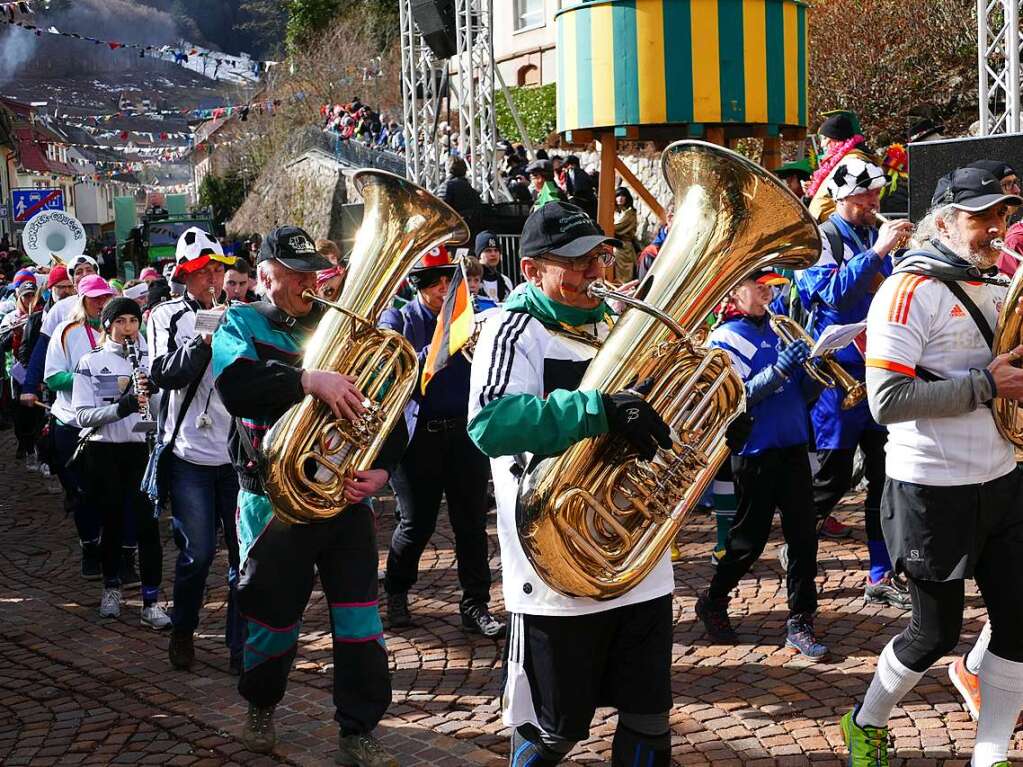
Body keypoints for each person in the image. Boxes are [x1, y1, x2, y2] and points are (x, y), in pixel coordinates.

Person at [468, 201, 675, 767]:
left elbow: (656, 413)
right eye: (579, 263)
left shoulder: (618, 323)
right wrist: (595, 409)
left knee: (650, 720)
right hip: (555, 567)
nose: (596, 273)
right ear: (533, 269)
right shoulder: (512, 329)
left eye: (600, 258)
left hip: (640, 559)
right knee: (553, 733)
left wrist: (719, 427)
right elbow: (489, 422)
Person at [841, 167, 1023, 767]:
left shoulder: (999, 284)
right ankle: (865, 722)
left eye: (1002, 215)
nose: (996, 227)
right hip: (929, 487)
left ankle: (989, 754)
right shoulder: (907, 289)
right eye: (981, 217)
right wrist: (984, 385)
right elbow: (885, 400)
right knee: (933, 635)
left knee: (1019, 625)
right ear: (943, 221)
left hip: (1001, 478)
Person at [213, 226, 405, 765]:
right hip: (272, 500)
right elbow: (236, 386)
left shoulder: (342, 327)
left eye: (311, 273)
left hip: (344, 499)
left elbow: (387, 411)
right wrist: (307, 379)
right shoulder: (240, 322)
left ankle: (358, 730)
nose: (307, 283)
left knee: (360, 620)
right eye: (294, 274)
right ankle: (261, 703)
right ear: (266, 275)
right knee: (273, 618)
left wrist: (384, 470)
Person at [795, 155, 915, 609]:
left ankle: (882, 572)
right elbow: (827, 294)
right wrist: (879, 253)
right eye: (866, 196)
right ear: (843, 196)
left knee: (885, 481)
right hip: (837, 376)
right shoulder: (821, 237)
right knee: (831, 477)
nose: (874, 202)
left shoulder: (871, 232)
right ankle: (798, 546)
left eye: (877, 194)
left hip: (880, 369)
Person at [695, 269, 827, 659]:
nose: (768, 291)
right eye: (759, 285)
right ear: (735, 292)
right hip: (756, 452)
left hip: (793, 445)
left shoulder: (780, 329)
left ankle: (801, 619)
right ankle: (714, 599)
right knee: (747, 542)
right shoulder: (725, 337)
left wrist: (817, 371)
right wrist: (781, 369)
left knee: (804, 537)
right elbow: (738, 398)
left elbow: (802, 395)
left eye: (770, 285)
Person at [380, 246, 504, 637]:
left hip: (465, 435)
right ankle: (397, 589)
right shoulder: (399, 317)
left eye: (448, 283)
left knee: (470, 524)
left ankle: (475, 604)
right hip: (418, 441)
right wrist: (443, 345)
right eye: (436, 285)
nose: (443, 292)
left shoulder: (470, 315)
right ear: (420, 287)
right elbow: (394, 367)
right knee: (417, 524)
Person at [148, 227, 244, 674]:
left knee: (243, 555)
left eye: (216, 270)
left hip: (235, 454)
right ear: (185, 276)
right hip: (189, 455)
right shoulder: (164, 316)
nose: (212, 279)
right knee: (199, 553)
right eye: (201, 272)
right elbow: (163, 372)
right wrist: (204, 340)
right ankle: (183, 628)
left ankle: (239, 646)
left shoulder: (239, 313)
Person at [73, 297, 170, 629]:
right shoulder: (91, 361)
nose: (128, 328)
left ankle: (152, 601)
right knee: (112, 523)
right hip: (105, 450)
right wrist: (123, 406)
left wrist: (155, 396)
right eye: (121, 321)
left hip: (140, 450)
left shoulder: (149, 360)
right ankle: (111, 588)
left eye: (133, 321)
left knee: (148, 527)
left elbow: (160, 415)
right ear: (108, 325)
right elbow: (83, 415)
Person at [43, 274, 117, 578]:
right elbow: (52, 377)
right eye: (95, 298)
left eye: (105, 297)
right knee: (83, 492)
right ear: (82, 300)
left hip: (111, 423)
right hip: (72, 423)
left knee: (113, 492)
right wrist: (86, 378)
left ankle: (118, 554)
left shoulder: (120, 330)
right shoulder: (66, 331)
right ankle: (90, 548)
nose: (101, 303)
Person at [0, 271, 44, 464]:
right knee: (19, 409)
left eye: (32, 295)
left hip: (37, 368)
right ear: (19, 297)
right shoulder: (11, 317)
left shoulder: (42, 315)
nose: (28, 300)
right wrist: (15, 333)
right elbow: (3, 343)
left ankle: (34, 443)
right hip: (16, 370)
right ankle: (22, 441)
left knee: (37, 409)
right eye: (25, 296)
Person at [805, 110, 873, 222]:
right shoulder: (843, 161)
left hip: (841, 229)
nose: (822, 145)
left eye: (825, 138)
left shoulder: (852, 161)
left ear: (836, 139)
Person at [438, 157, 483, 230]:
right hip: (469, 231)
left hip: (452, 231)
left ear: (448, 169)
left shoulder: (447, 187)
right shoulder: (472, 191)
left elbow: (440, 211)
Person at [474, 231, 513, 303]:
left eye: (496, 250)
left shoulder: (505, 281)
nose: (493, 254)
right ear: (479, 255)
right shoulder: (472, 281)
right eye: (488, 251)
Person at [612, 187, 639, 283]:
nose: (620, 198)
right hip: (614, 244)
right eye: (618, 195)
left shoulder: (630, 213)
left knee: (624, 277)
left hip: (624, 247)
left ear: (627, 198)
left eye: (623, 195)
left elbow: (617, 227)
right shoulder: (615, 213)